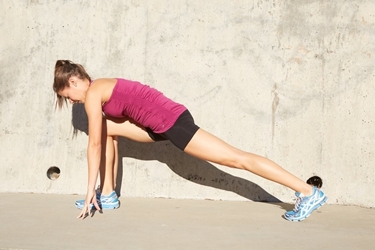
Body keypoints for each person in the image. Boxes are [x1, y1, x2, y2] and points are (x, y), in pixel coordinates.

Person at [52, 60, 327, 221]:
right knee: (106, 129)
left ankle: (307, 192)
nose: (70, 101)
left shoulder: (92, 93)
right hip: (160, 124)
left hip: (172, 124)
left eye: (67, 95)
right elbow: (102, 137)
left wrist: (88, 189)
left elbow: (94, 146)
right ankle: (109, 195)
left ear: (75, 82)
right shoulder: (100, 86)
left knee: (236, 158)